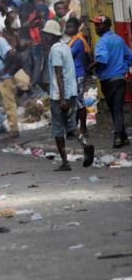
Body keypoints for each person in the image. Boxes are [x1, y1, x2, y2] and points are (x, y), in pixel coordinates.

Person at [44, 20, 95, 170]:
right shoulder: (65, 47)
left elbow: (59, 75)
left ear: (50, 36)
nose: (44, 38)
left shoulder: (55, 50)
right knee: (71, 126)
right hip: (71, 93)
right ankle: (85, 145)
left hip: (60, 96)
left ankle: (65, 162)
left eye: (46, 35)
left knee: (58, 130)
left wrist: (62, 99)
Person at [90, 16, 132, 148]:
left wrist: (90, 67)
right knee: (116, 108)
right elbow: (130, 56)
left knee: (115, 109)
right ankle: (123, 136)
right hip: (120, 79)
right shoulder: (119, 39)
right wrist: (124, 66)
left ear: (107, 26)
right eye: (95, 25)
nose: (96, 28)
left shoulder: (102, 42)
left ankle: (118, 137)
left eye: (99, 25)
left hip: (108, 81)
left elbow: (102, 58)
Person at [64, 18, 90, 134]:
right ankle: (74, 127)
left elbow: (67, 54)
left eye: (70, 26)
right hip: (73, 74)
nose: (67, 29)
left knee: (79, 101)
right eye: (67, 26)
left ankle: (83, 128)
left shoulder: (78, 41)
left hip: (78, 74)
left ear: (76, 27)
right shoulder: (72, 40)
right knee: (74, 102)